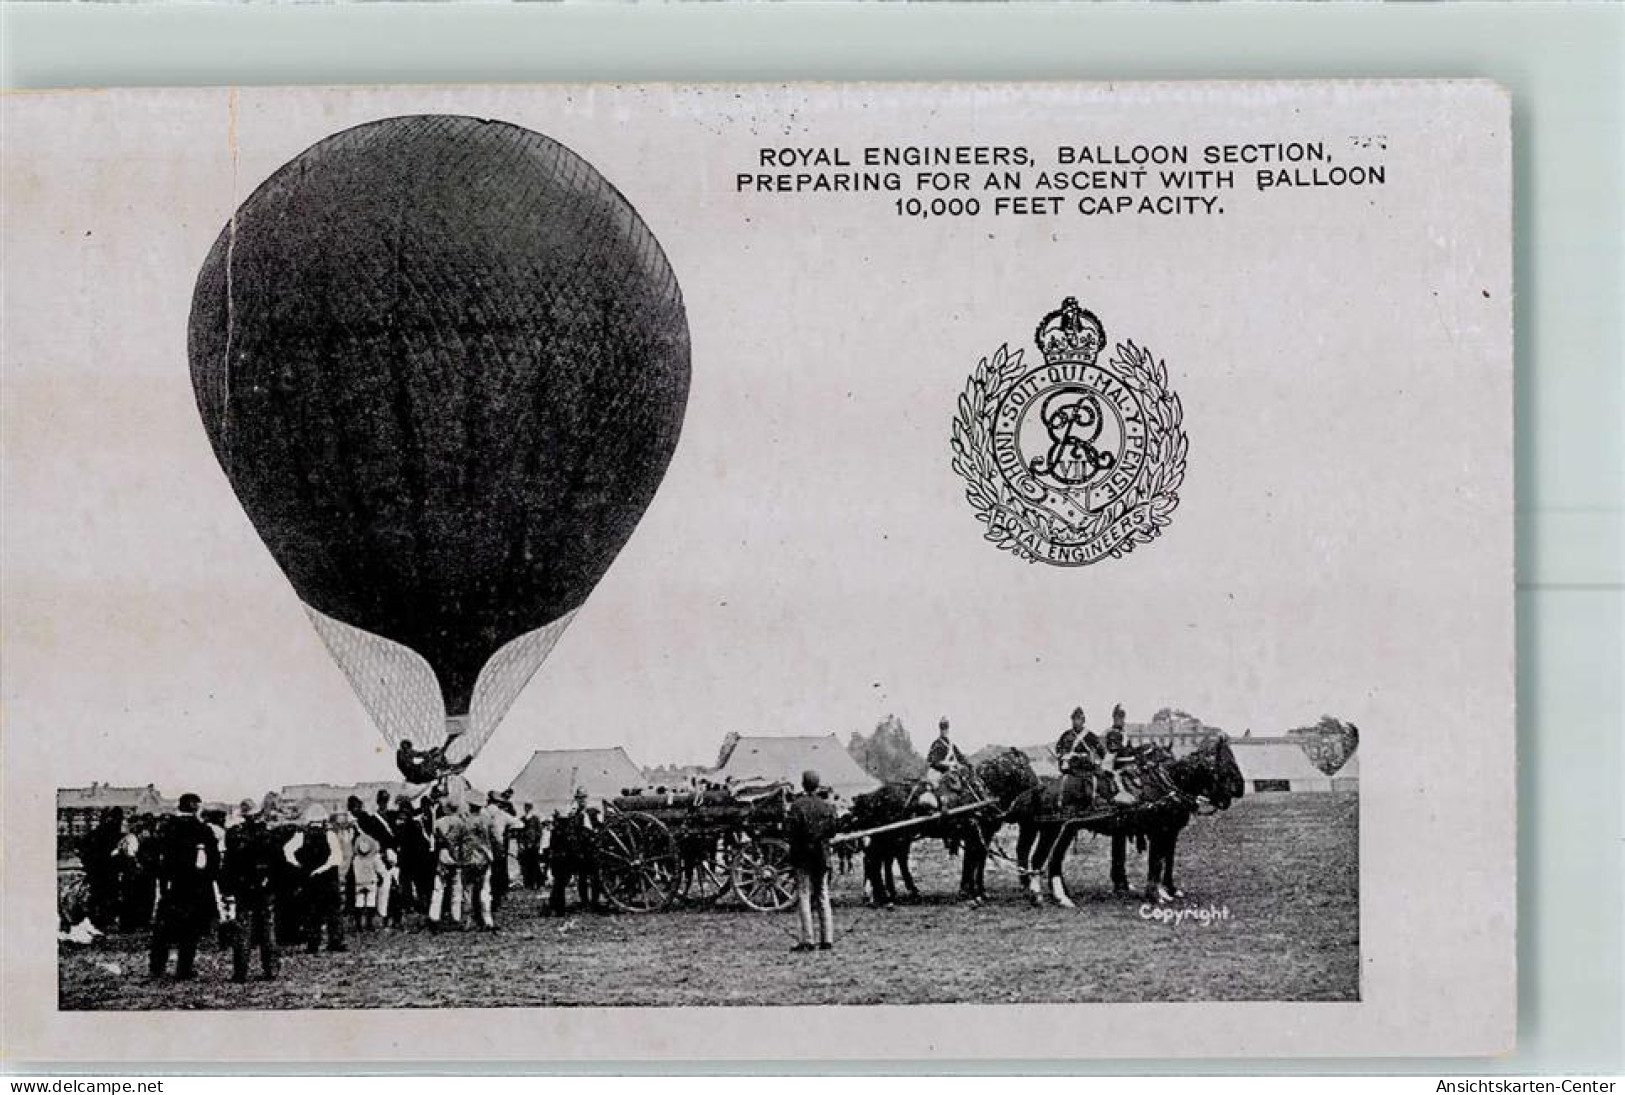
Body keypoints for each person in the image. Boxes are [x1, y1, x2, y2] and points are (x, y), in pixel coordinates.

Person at [148, 793, 220, 981]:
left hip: (171, 886)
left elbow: (154, 856)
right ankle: (184, 969)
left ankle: (157, 968)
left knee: (163, 930)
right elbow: (214, 860)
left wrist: (161, 878)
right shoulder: (202, 830)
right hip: (196, 887)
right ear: (196, 807)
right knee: (190, 930)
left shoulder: (166, 828)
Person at [222, 795, 281, 982]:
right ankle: (270, 970)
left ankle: (240, 972)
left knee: (242, 930)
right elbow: (277, 860)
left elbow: (229, 864)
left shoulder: (234, 835)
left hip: (243, 887)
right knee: (267, 929)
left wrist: (228, 888)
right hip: (264, 886)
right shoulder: (269, 834)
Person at [786, 770, 839, 952]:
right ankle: (827, 939)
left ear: (803, 785)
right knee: (823, 895)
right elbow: (832, 832)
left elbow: (791, 832)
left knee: (804, 895)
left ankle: (807, 940)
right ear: (818, 785)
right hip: (822, 856)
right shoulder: (827, 806)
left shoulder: (797, 806)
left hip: (802, 856)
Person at [282, 805, 348, 953]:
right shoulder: (329, 834)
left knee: (311, 912)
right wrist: (322, 869)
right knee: (333, 911)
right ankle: (335, 941)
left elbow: (287, 851)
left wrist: (299, 865)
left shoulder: (301, 835)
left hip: (309, 878)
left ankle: (313, 943)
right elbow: (336, 857)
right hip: (328, 878)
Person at [548, 788, 601, 915]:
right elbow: (572, 833)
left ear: (587, 798)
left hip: (593, 850)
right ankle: (584, 902)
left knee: (596, 878)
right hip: (581, 851)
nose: (582, 800)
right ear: (576, 799)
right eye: (580, 798)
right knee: (582, 878)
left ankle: (595, 902)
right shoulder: (574, 815)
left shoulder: (592, 812)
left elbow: (600, 826)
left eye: (584, 797)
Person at [349, 793, 397, 925]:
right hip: (365, 855)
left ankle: (374, 915)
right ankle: (372, 916)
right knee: (369, 885)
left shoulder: (368, 819)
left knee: (373, 885)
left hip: (368, 854)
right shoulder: (367, 819)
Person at [921, 717, 970, 810]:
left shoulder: (951, 745)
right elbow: (934, 762)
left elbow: (961, 758)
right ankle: (940, 805)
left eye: (946, 728)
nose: (944, 730)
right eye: (942, 728)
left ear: (948, 729)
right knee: (936, 787)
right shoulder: (936, 744)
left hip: (950, 773)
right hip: (937, 773)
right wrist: (949, 766)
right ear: (940, 729)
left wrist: (966, 765)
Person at [395, 739, 473, 785]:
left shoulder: (405, 752)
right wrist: (429, 760)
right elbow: (413, 767)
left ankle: (446, 763)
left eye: (409, 749)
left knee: (435, 751)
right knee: (433, 760)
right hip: (417, 776)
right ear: (403, 749)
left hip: (417, 772)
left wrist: (427, 754)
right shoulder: (402, 756)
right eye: (407, 749)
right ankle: (454, 768)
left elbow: (418, 754)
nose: (410, 750)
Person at [517, 803, 545, 890]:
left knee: (535, 864)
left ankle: (537, 883)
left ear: (531, 808)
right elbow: (519, 833)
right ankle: (528, 884)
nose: (527, 808)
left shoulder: (535, 819)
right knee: (526, 865)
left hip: (534, 845)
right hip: (525, 845)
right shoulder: (522, 819)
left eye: (529, 807)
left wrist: (536, 843)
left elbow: (539, 832)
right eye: (526, 807)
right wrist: (520, 844)